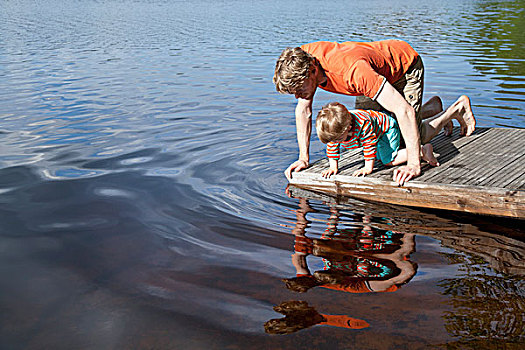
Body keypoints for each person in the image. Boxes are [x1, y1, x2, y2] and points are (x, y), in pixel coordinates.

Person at [273, 39, 476, 185]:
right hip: (373, 73)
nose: (298, 97)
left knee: (408, 141)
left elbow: (403, 111)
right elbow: (303, 111)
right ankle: (431, 107)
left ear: (313, 70)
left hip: (404, 67)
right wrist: (303, 158)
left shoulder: (353, 72)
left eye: (300, 90)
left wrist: (414, 163)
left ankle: (455, 110)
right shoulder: (300, 59)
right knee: (372, 133)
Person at [316, 102, 439, 178]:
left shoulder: (363, 124)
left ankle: (421, 151)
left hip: (386, 129)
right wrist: (333, 167)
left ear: (348, 128)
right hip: (376, 132)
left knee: (388, 160)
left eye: (338, 139)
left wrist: (368, 168)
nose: (336, 143)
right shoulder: (335, 130)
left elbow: (369, 144)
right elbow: (332, 145)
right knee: (379, 156)